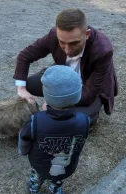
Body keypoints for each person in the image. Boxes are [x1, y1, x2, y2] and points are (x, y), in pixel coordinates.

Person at [13, 8, 118, 125]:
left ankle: (92, 113)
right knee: (28, 85)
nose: (67, 50)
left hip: (88, 87)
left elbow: (89, 94)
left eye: (74, 43)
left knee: (83, 120)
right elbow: (24, 56)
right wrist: (21, 89)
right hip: (64, 79)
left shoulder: (103, 50)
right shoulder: (53, 35)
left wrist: (55, 104)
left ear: (87, 34)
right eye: (62, 42)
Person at [18, 65, 91, 194]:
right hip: (66, 166)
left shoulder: (36, 121)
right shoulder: (85, 120)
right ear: (77, 95)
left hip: (39, 164)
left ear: (47, 97)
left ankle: (33, 188)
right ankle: (56, 189)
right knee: (57, 179)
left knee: (37, 176)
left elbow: (24, 138)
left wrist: (23, 151)